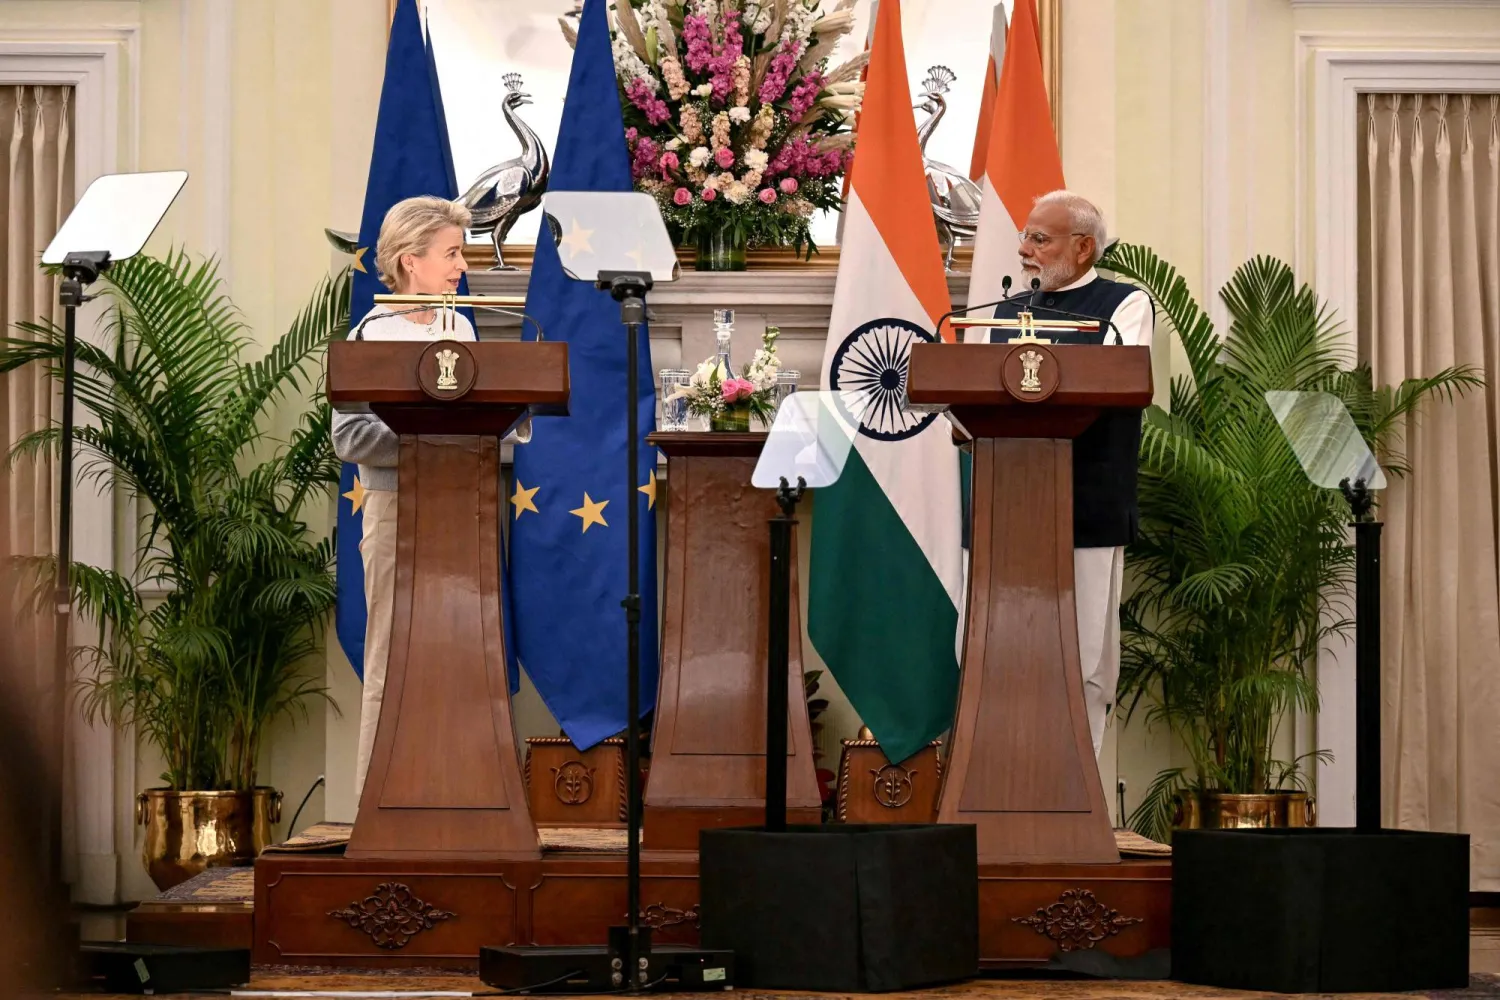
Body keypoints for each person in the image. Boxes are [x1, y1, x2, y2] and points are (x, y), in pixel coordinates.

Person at [333, 195, 527, 798]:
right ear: (410, 260)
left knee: (465, 661)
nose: (461, 265)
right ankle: (378, 803)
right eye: (451, 253)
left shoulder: (458, 326)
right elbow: (351, 435)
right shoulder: (368, 335)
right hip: (396, 513)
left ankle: (463, 798)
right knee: (392, 660)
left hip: (463, 512)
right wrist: (434, 438)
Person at [989, 189, 1154, 757]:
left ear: (1083, 248)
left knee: (1084, 657)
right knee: (1001, 652)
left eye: (1040, 238)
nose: (1025, 248)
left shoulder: (1124, 304)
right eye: (1025, 236)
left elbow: (1121, 382)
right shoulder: (1004, 312)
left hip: (1089, 503)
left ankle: (1078, 798)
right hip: (1005, 505)